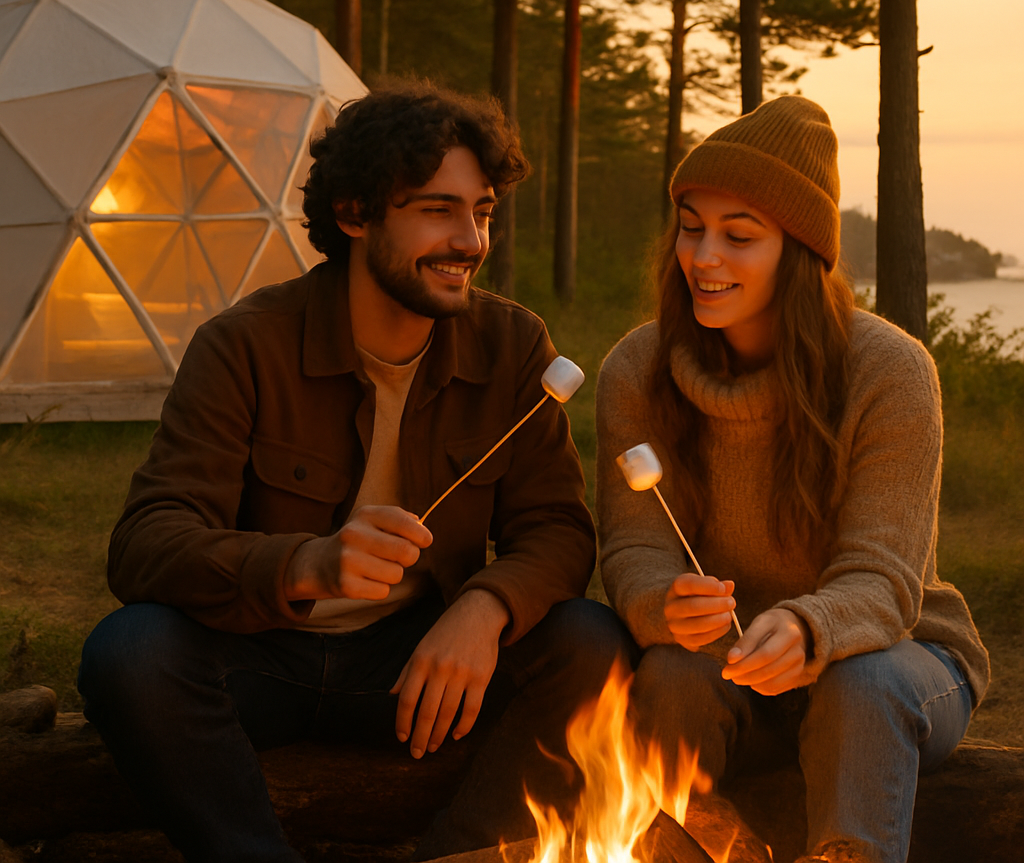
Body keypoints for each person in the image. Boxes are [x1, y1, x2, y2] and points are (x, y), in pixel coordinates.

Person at [79, 80, 631, 863]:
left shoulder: (513, 347)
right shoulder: (245, 345)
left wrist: (484, 608)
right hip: (260, 655)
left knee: (589, 641)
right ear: (354, 214)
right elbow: (147, 543)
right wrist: (308, 563)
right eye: (438, 210)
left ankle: (457, 857)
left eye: (482, 213)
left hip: (417, 667)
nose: (471, 241)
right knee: (131, 654)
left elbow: (557, 530)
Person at [595, 96, 989, 863]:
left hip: (890, 658)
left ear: (801, 250)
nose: (703, 256)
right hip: (724, 668)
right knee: (671, 675)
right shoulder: (636, 369)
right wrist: (662, 603)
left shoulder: (889, 371)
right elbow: (635, 549)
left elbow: (883, 579)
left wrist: (811, 627)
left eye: (739, 236)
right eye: (691, 227)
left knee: (859, 687)